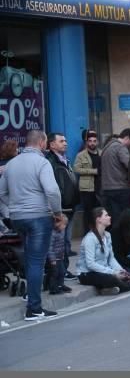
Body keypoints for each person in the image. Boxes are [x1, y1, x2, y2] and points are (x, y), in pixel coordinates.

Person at [0, 130, 62, 320]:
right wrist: (58, 213)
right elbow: (51, 190)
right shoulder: (42, 162)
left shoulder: (12, 164)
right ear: (42, 142)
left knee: (29, 258)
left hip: (18, 217)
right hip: (38, 216)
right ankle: (34, 308)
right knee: (36, 262)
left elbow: (1, 192)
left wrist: (10, 211)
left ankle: (30, 295)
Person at [76, 207, 130, 294]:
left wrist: (121, 270)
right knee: (111, 278)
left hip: (104, 270)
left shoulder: (107, 235)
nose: (109, 217)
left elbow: (111, 258)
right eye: (106, 215)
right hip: (87, 274)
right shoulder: (90, 239)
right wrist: (113, 272)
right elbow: (90, 264)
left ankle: (108, 289)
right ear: (98, 220)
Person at [45, 133, 80, 267]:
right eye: (61, 141)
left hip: (70, 207)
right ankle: (60, 272)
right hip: (60, 208)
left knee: (66, 241)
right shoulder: (50, 161)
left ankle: (63, 270)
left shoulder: (65, 159)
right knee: (60, 242)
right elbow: (53, 187)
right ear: (52, 144)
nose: (65, 143)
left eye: (65, 141)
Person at [101, 128, 130, 222]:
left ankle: (115, 236)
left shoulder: (106, 147)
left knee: (114, 219)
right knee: (125, 218)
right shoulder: (120, 147)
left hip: (107, 188)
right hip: (121, 188)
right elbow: (129, 165)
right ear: (127, 137)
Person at [74, 130, 102, 227]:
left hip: (100, 187)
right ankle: (88, 233)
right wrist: (93, 171)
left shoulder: (101, 153)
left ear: (97, 142)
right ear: (87, 142)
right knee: (88, 213)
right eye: (90, 141)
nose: (92, 143)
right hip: (87, 188)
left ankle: (99, 231)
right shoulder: (81, 155)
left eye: (94, 141)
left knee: (99, 212)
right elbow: (76, 169)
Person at [45, 214, 71, 295]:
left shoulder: (61, 231)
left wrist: (63, 254)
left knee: (62, 271)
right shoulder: (52, 234)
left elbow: (62, 243)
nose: (65, 227)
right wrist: (52, 259)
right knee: (54, 273)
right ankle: (53, 287)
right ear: (57, 223)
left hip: (60, 256)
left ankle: (60, 285)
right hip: (53, 258)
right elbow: (49, 247)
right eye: (64, 224)